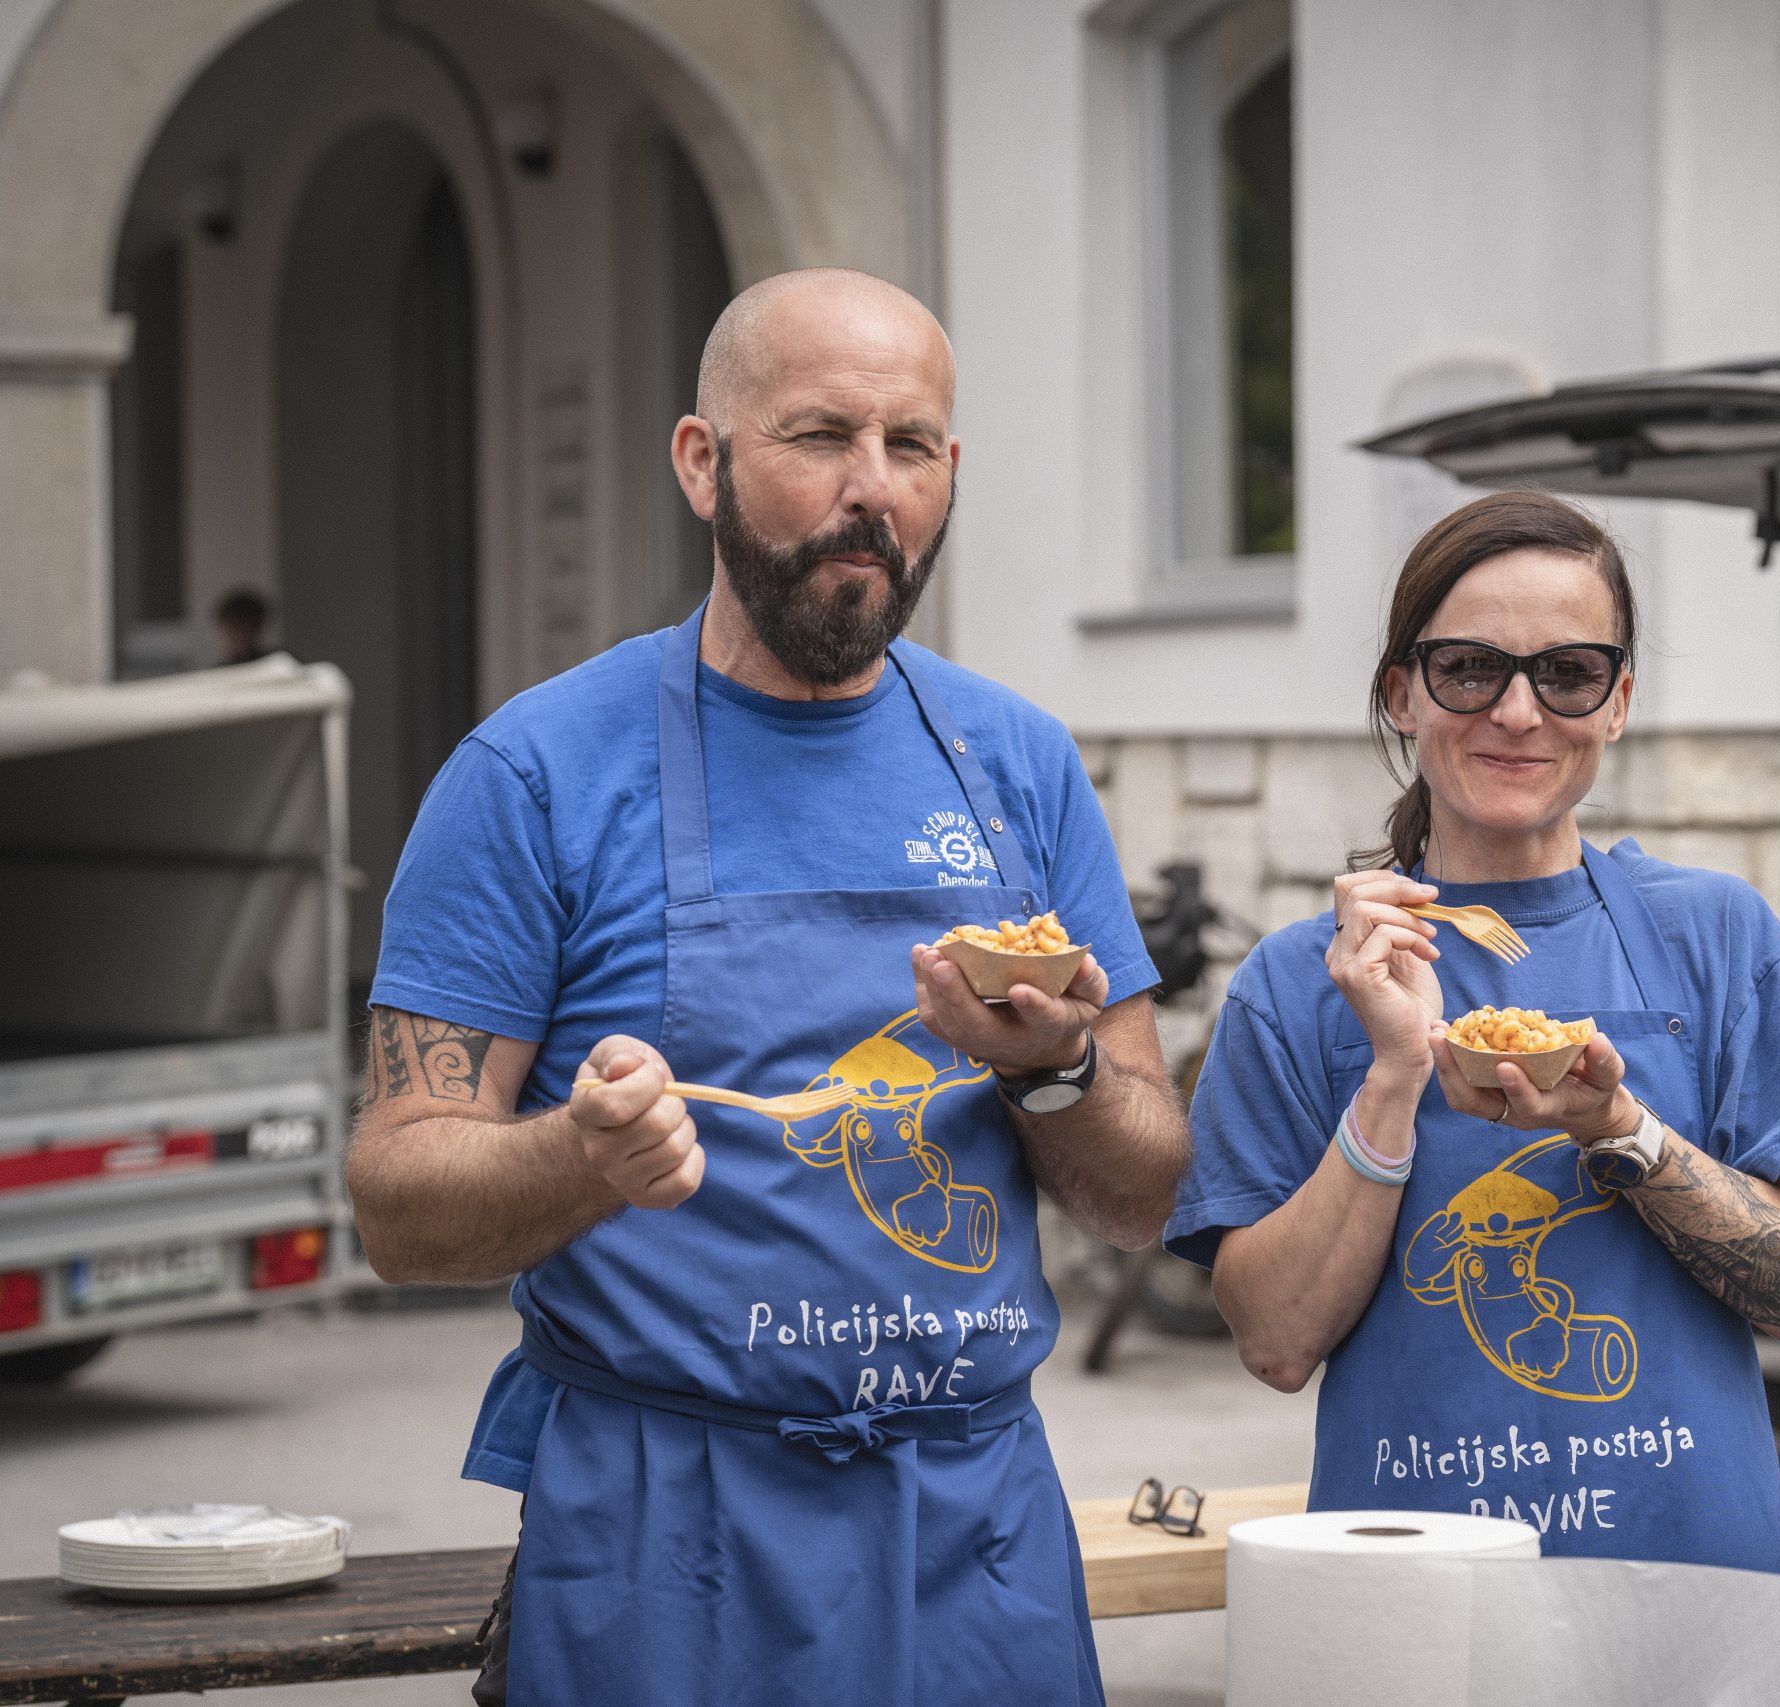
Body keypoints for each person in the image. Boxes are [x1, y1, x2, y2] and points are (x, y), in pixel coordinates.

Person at [345, 268, 1188, 1706]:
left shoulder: (1020, 766)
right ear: (703, 461)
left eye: (909, 446)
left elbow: (1146, 1194)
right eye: (819, 436)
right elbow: (397, 1205)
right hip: (665, 1531)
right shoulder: (535, 775)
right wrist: (583, 1155)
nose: (872, 490)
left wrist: (1054, 1071)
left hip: (974, 1527)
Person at [1166, 491, 1780, 1571]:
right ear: (1402, 692)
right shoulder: (1297, 984)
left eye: (1568, 672)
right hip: (1413, 1594)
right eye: (1470, 669)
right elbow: (1275, 1341)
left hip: (1691, 1587)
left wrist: (1622, 1129)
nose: (1519, 713)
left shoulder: (1720, 937)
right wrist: (1393, 1075)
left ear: (1618, 701)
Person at [215, 587, 276, 663]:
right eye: (230, 629)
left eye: (241, 628)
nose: (237, 636)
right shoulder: (222, 668)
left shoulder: (276, 663)